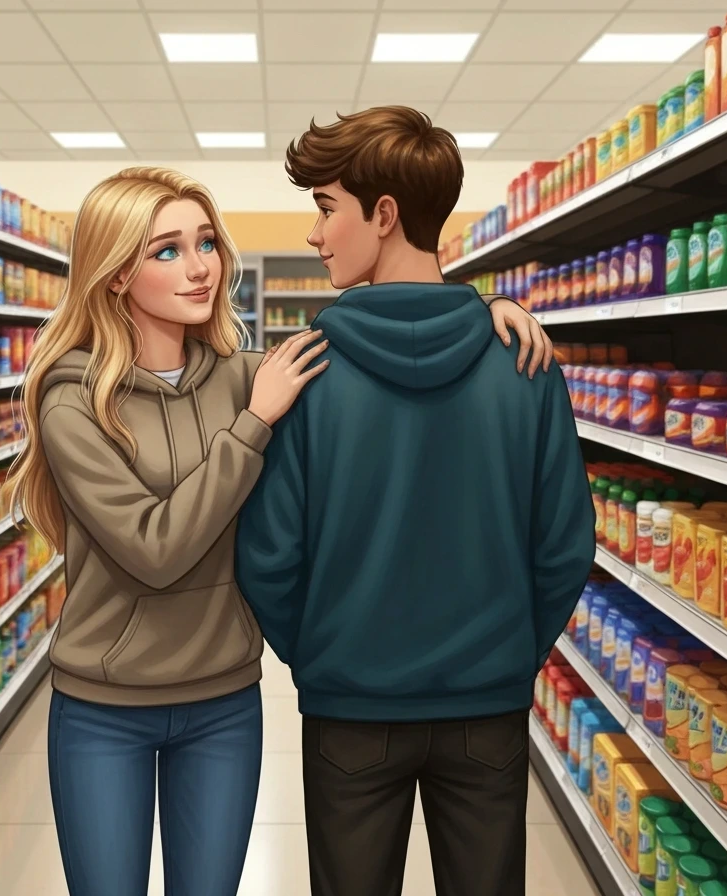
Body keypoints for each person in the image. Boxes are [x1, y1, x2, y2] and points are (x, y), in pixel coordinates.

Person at [4, 165, 556, 896]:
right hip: (106, 706)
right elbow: (153, 550)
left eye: (207, 243)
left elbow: (387, 344)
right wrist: (253, 426)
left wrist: (485, 312)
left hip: (223, 701)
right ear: (115, 274)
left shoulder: (245, 375)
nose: (200, 267)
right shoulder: (76, 401)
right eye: (167, 250)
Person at [233, 107, 598, 896]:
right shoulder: (522, 361)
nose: (315, 234)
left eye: (326, 208)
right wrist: (508, 653)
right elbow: (566, 544)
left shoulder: (305, 373)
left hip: (350, 707)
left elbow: (268, 554)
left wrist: (324, 657)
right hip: (487, 706)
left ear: (385, 214)